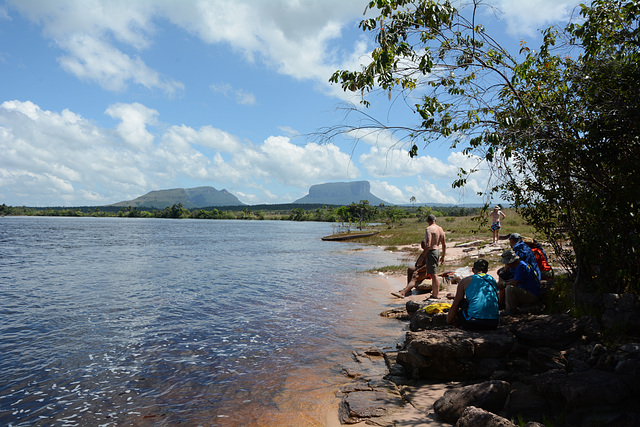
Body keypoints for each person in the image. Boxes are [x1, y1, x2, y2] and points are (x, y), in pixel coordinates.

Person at [392, 215, 446, 299]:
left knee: (434, 274)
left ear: (427, 221)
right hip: (437, 251)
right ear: (435, 220)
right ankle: (408, 291)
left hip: (432, 252)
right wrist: (443, 256)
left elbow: (428, 245)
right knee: (428, 272)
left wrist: (422, 257)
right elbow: (444, 244)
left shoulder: (429, 229)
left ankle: (436, 294)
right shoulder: (440, 229)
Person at [446, 259, 499, 330]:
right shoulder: (491, 279)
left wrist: (447, 322)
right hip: (493, 323)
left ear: (473, 269)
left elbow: (455, 305)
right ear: (486, 270)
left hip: (474, 323)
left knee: (459, 310)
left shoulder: (465, 281)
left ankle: (457, 329)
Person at [497, 249, 540, 315]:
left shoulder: (521, 267)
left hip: (532, 295)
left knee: (509, 288)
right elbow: (515, 280)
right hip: (527, 291)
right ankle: (504, 305)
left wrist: (503, 284)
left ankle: (512, 310)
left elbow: (515, 283)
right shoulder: (519, 265)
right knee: (507, 285)